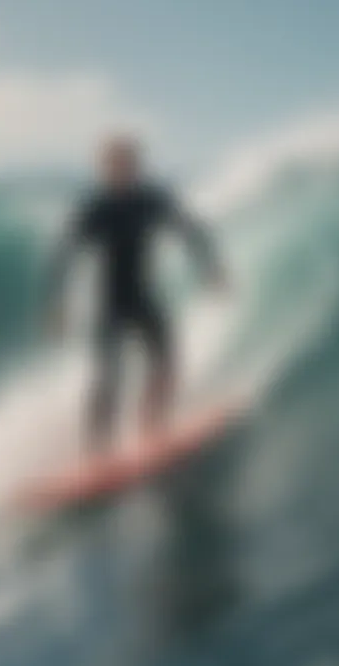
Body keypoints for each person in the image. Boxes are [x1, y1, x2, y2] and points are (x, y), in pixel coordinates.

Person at [51, 136, 226, 456]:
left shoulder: (151, 201)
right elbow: (65, 254)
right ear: (104, 169)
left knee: (167, 363)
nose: (121, 170)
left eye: (127, 164)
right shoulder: (95, 209)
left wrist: (210, 268)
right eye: (113, 165)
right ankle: (97, 450)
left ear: (136, 166)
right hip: (110, 304)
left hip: (143, 298)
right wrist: (58, 303)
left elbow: (190, 229)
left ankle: (152, 425)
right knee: (108, 376)